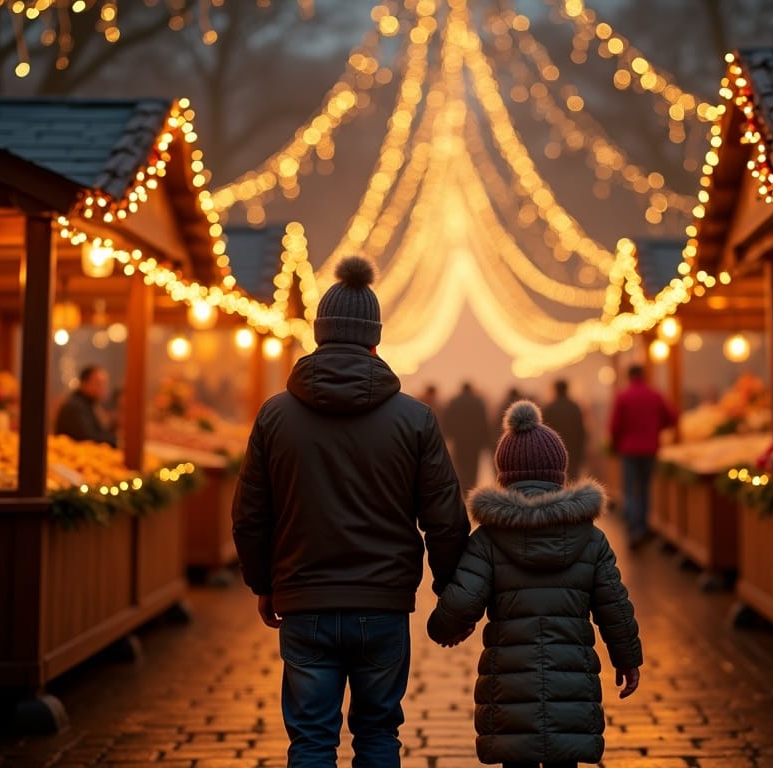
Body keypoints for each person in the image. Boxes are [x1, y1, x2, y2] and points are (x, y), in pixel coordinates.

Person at [231, 255, 470, 768]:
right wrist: (450, 590)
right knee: (378, 733)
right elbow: (445, 518)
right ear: (374, 342)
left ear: (318, 337)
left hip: (304, 598)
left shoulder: (275, 415)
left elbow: (251, 512)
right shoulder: (415, 420)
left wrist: (263, 583)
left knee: (312, 740)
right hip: (382, 602)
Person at [428, 400, 642, 768]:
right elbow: (614, 606)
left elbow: (462, 603)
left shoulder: (488, 539)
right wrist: (627, 659)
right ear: (560, 473)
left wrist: (443, 628)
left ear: (504, 475)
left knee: (517, 758)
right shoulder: (591, 540)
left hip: (511, 687)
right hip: (570, 684)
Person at [608, 364, 677, 550]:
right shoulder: (655, 395)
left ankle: (632, 527)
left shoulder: (623, 396)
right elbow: (672, 418)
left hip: (628, 450)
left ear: (629, 376)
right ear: (644, 376)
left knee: (630, 490)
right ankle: (641, 528)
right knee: (645, 489)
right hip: (650, 449)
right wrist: (656, 428)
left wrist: (615, 444)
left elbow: (614, 426)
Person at [442, 381, 491, 491]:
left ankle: (463, 487)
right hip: (475, 441)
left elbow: (447, 421)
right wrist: (486, 441)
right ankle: (472, 486)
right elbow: (484, 423)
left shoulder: (454, 402)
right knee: (473, 465)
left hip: (459, 440)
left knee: (460, 463)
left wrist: (448, 437)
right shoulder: (478, 402)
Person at [53, 364, 117, 446]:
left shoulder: (89, 404)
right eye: (98, 383)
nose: (103, 388)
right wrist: (116, 440)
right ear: (84, 383)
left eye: (104, 383)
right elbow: (87, 438)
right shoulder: (75, 406)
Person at [543, 378, 587, 481]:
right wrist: (581, 451)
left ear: (555, 390)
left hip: (554, 452)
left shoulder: (550, 408)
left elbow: (544, 433)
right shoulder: (575, 407)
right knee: (573, 480)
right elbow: (582, 431)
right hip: (573, 451)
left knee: (557, 481)